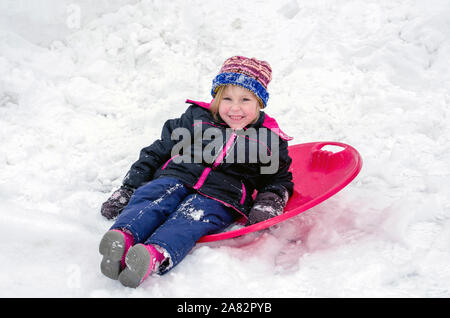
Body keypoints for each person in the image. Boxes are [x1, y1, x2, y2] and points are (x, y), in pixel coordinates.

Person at [99, 55, 294, 288]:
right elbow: (159, 150)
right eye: (227, 98)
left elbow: (278, 179)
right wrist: (129, 187)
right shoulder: (196, 118)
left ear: (259, 103)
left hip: (221, 195)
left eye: (245, 100)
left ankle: (153, 255)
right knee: (152, 198)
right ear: (216, 98)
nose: (235, 107)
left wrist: (268, 204)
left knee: (191, 219)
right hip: (176, 176)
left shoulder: (269, 139)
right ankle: (123, 238)